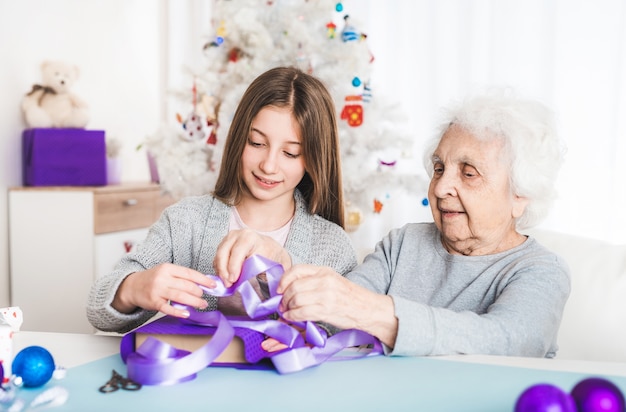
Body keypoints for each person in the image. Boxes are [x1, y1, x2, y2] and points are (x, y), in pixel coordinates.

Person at [256, 90, 571, 358]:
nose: (441, 187)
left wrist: (375, 313)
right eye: (438, 168)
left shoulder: (542, 271)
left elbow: (508, 341)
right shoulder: (403, 244)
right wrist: (285, 284)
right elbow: (341, 306)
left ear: (520, 195)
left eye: (468, 173)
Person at [86, 66, 357, 333]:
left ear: (312, 159)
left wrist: (283, 266)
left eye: (290, 153)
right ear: (239, 139)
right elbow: (98, 310)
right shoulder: (185, 221)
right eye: (256, 143)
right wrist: (133, 288)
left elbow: (349, 335)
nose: (269, 165)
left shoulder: (333, 247)